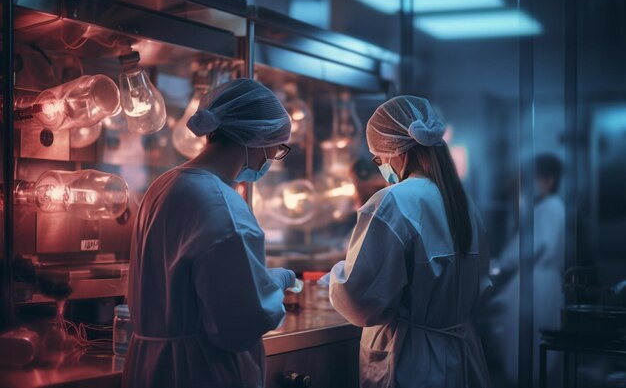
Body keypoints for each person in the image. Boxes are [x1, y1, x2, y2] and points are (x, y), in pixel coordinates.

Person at [122, 79, 297, 388]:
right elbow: (240, 325)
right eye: (277, 147)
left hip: (149, 366)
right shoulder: (222, 205)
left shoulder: (165, 186)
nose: (270, 157)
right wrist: (272, 287)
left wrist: (258, 279)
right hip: (200, 371)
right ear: (257, 137)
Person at [326, 96, 492, 388]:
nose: (379, 166)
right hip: (460, 354)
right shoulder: (461, 201)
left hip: (412, 361)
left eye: (377, 158)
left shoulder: (393, 201)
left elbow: (360, 303)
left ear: (397, 152)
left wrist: (338, 276)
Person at [488, 154, 565, 386]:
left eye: (535, 179)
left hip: (539, 282)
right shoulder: (546, 207)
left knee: (528, 345)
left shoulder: (552, 207)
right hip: (537, 280)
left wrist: (503, 264)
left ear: (549, 180)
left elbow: (537, 246)